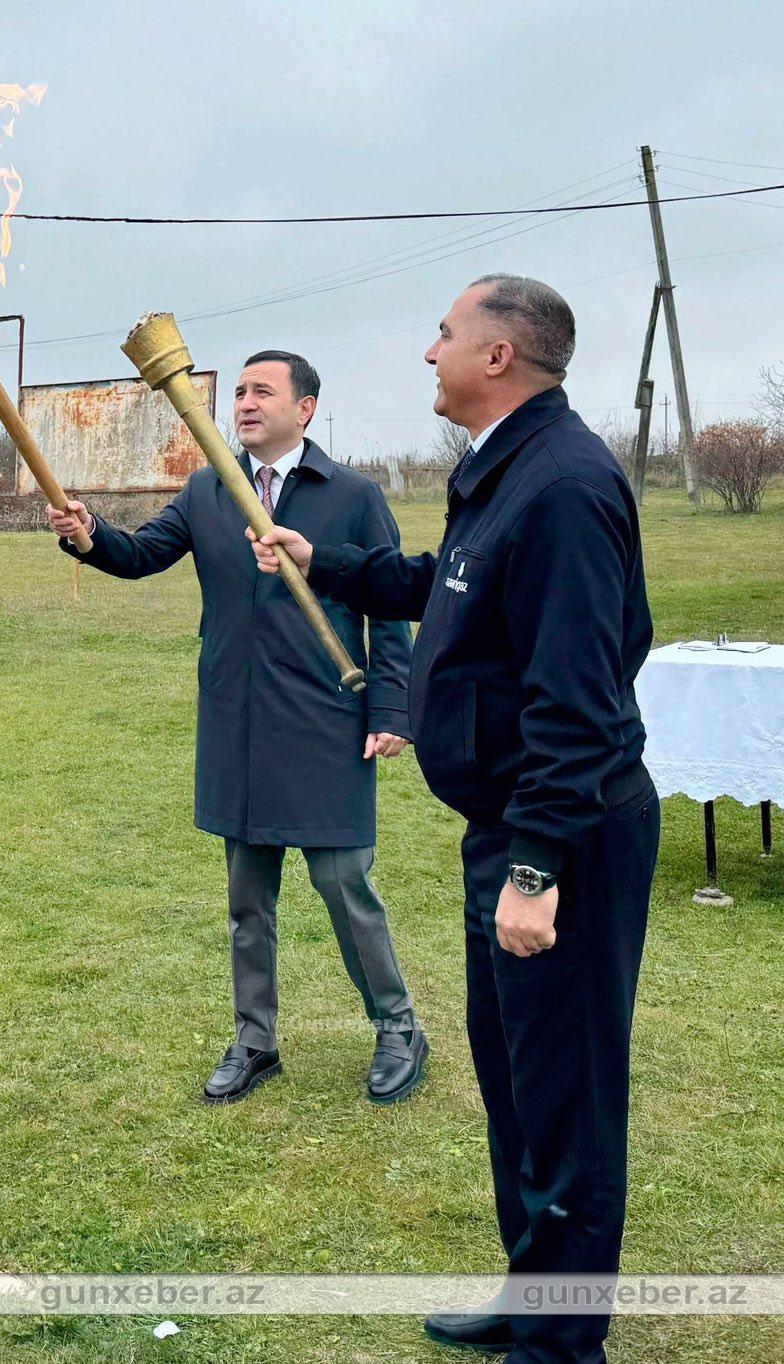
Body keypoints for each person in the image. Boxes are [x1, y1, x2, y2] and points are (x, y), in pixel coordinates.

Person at [250, 276, 656, 1364]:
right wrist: (324, 560)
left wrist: (535, 867)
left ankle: (560, 1343)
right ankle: (530, 1294)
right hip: (514, 824)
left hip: (563, 832)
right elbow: (454, 584)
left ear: (497, 358)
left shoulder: (563, 483)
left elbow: (575, 692)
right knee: (516, 1078)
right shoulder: (502, 471)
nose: (427, 352)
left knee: (564, 1094)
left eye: (443, 334)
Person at [48, 350, 425, 1106]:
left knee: (343, 881)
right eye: (241, 391)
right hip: (237, 721)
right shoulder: (207, 490)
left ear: (306, 409)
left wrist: (391, 711)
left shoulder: (350, 495)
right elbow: (143, 553)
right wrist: (89, 531)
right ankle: (256, 1039)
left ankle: (397, 1027)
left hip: (326, 719)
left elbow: (389, 609)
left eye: (263, 391)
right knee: (248, 900)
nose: (246, 403)